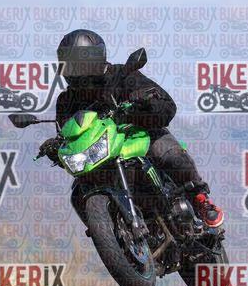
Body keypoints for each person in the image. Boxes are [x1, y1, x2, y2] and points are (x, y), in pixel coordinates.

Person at [41, 29, 223, 228]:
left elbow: (166, 106)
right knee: (78, 194)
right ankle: (110, 234)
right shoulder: (67, 101)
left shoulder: (123, 75)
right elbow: (67, 137)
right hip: (100, 156)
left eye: (79, 64)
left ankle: (200, 199)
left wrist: (147, 101)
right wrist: (55, 148)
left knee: (167, 152)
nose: (75, 70)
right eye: (70, 65)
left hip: (137, 136)